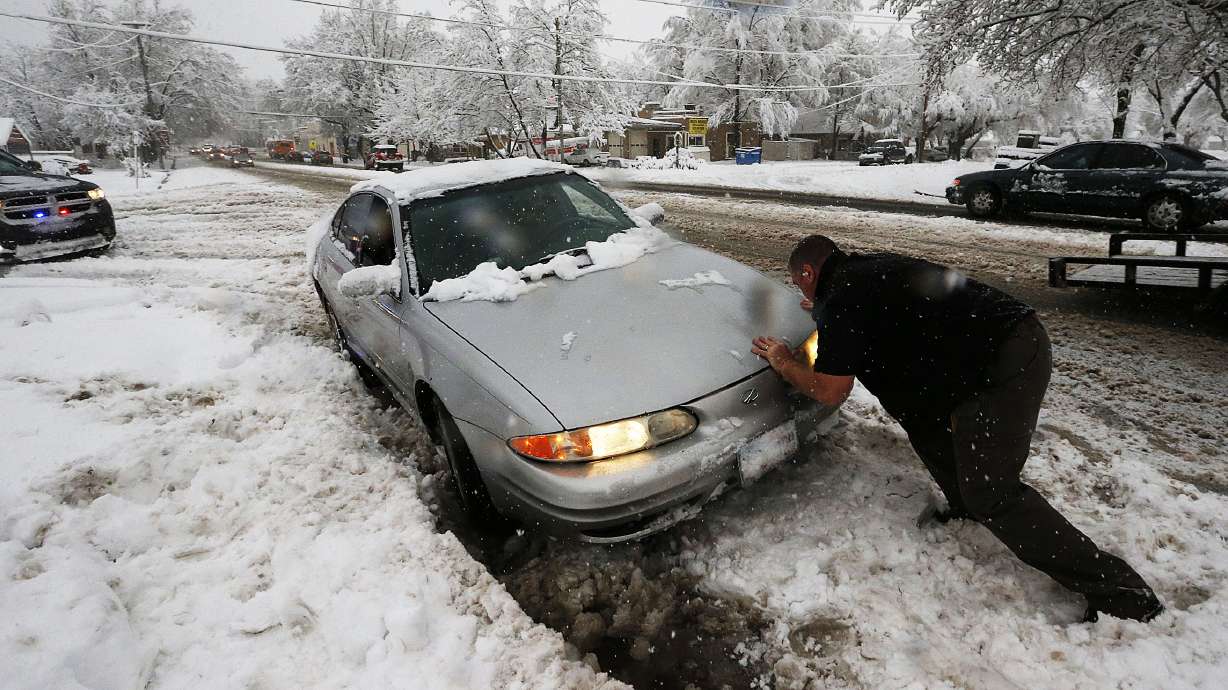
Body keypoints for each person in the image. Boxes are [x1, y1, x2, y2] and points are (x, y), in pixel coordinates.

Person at [751, 235, 1163, 623]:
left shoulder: (843, 301)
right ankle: (966, 506)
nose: (802, 293)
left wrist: (785, 362)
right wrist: (825, 309)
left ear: (807, 274)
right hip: (1007, 338)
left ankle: (1122, 594)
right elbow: (868, 305)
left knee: (993, 492)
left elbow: (830, 391)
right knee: (923, 422)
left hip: (1004, 362)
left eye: (799, 284)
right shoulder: (861, 275)